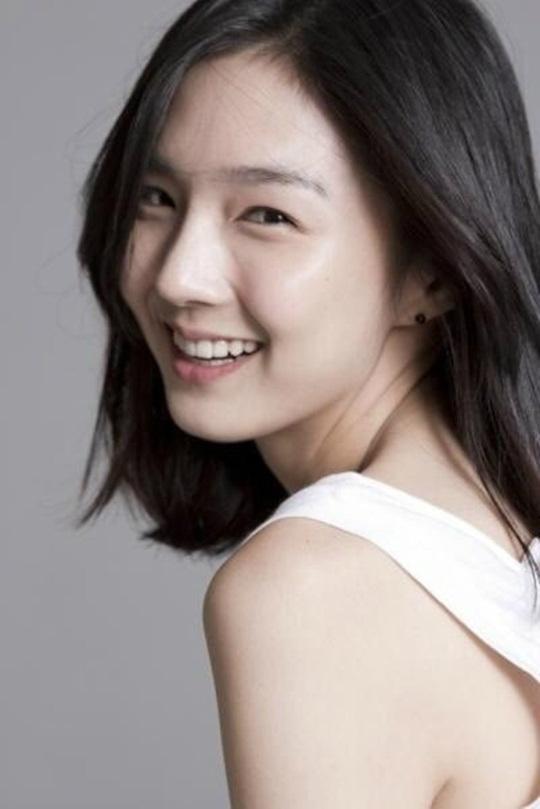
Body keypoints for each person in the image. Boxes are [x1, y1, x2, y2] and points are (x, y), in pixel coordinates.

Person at [73, 0, 540, 805]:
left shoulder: (308, 590)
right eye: (157, 197)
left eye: (267, 214)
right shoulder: (503, 535)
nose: (179, 275)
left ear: (432, 269)